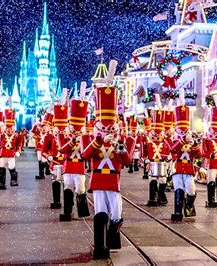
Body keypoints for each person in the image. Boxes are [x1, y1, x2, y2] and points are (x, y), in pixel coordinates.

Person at [82, 62, 135, 260]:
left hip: (114, 181)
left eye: (110, 128)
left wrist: (119, 145)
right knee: (100, 213)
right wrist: (98, 141)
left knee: (117, 213)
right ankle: (101, 244)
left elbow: (127, 161)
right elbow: (86, 156)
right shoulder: (90, 139)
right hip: (98, 181)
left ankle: (113, 235)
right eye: (104, 128)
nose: (107, 132)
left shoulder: (123, 141)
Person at [56, 95, 91, 221]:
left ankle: (82, 211)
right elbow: (62, 149)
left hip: (79, 166)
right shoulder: (62, 137)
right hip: (68, 165)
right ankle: (67, 211)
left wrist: (81, 140)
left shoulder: (85, 138)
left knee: (80, 188)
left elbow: (86, 153)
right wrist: (72, 141)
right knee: (68, 187)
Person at [170, 89, 201, 221]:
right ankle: (177, 213)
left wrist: (194, 144)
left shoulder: (191, 140)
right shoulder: (175, 140)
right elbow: (173, 149)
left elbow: (198, 155)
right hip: (177, 168)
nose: (183, 133)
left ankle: (188, 206)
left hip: (188, 169)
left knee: (191, 190)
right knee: (178, 189)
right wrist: (183, 140)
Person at [142, 98, 170, 206]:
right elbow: (144, 153)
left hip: (161, 163)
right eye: (155, 134)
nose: (157, 136)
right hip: (152, 163)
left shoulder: (165, 144)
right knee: (152, 180)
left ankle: (161, 195)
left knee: (163, 180)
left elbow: (168, 153)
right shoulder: (149, 144)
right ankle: (152, 197)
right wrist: (146, 160)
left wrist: (167, 159)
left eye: (159, 134)